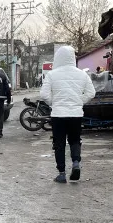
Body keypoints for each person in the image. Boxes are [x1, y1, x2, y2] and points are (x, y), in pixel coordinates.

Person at [40, 46, 96, 183]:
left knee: (59, 143)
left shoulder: (52, 75)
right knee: (75, 140)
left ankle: (62, 173)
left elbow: (43, 95)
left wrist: (54, 103)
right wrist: (78, 102)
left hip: (58, 114)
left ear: (58, 58)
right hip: (76, 114)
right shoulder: (82, 74)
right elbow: (91, 93)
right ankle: (76, 163)